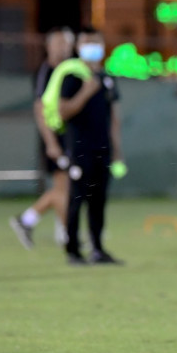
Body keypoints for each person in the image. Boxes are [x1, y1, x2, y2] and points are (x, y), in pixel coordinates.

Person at [59, 27, 125, 265]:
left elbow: (114, 117)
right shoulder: (73, 77)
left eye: (96, 42)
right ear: (78, 47)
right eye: (87, 43)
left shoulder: (107, 78)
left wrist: (117, 149)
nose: (92, 47)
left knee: (99, 200)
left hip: (103, 149)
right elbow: (63, 111)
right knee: (77, 198)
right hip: (79, 149)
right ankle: (73, 250)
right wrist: (85, 93)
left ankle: (98, 249)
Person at [10, 27, 75, 249]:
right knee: (62, 189)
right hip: (55, 139)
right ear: (48, 46)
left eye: (66, 44)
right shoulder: (46, 71)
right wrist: (51, 143)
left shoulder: (69, 70)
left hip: (69, 138)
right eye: (58, 43)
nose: (63, 48)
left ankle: (29, 221)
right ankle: (68, 235)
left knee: (67, 189)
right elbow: (39, 109)